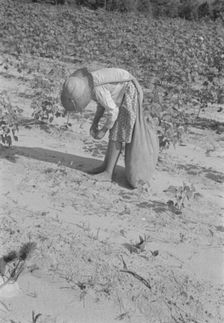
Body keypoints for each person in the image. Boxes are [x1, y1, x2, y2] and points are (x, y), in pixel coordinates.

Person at [61, 67, 158, 185]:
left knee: (117, 132)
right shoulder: (89, 84)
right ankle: (105, 166)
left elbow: (113, 111)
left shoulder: (96, 89)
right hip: (123, 90)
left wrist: (104, 129)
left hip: (130, 92)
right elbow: (102, 104)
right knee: (115, 130)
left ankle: (108, 172)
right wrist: (95, 122)